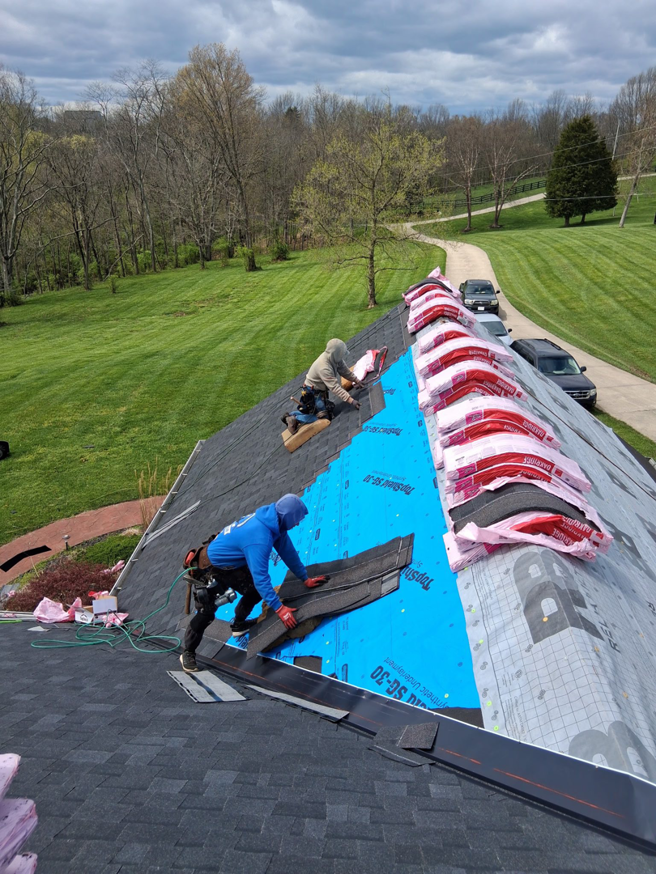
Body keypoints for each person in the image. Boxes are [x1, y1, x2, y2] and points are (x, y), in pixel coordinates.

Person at [180, 494, 327, 673]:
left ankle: (238, 623)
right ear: (288, 517)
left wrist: (305, 578)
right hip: (210, 566)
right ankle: (188, 652)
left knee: (255, 591)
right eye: (296, 520)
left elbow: (288, 552)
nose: (297, 524)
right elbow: (261, 578)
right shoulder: (260, 537)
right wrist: (280, 610)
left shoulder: (275, 523)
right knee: (206, 612)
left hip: (232, 563)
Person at [282, 338, 364, 435]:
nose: (342, 356)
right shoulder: (324, 367)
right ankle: (294, 418)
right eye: (341, 354)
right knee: (324, 418)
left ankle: (294, 415)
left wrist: (357, 380)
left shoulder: (335, 358)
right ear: (335, 353)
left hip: (319, 391)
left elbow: (344, 371)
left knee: (330, 408)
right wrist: (351, 401)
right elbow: (334, 387)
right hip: (312, 393)